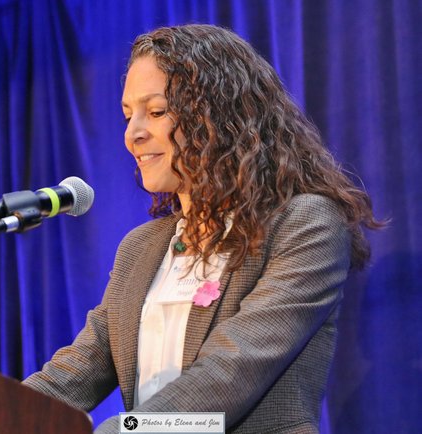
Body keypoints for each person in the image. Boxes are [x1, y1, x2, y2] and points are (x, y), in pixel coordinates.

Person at [23, 24, 382, 433]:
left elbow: (233, 369)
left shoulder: (304, 224)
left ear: (219, 115)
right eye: (128, 115)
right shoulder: (140, 247)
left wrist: (124, 431)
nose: (132, 134)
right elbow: (81, 366)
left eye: (156, 112)